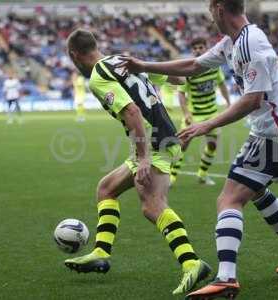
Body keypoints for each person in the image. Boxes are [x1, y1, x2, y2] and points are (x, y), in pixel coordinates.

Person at [117, 0, 278, 298]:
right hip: (272, 132)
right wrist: (144, 66)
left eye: (210, 11)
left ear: (220, 9)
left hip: (276, 136)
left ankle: (226, 278)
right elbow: (194, 66)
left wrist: (205, 125)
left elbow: (252, 100)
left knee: (229, 199)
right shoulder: (233, 41)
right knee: (255, 191)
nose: (210, 17)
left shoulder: (250, 45)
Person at [65, 29, 211, 296]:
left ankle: (192, 263)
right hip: (160, 135)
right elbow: (176, 78)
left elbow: (131, 111)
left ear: (74, 55)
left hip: (153, 141)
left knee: (152, 205)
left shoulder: (99, 76)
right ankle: (100, 253)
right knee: (106, 188)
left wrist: (143, 157)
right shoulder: (122, 60)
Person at [171, 37, 231, 186]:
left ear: (206, 48)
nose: (198, 50)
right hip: (194, 114)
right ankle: (171, 177)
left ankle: (202, 174)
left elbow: (222, 84)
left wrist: (229, 102)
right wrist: (186, 114)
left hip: (211, 114)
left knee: (212, 145)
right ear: (192, 51)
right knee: (183, 144)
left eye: (201, 47)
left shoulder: (214, 66)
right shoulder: (189, 69)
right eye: (195, 48)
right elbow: (181, 93)